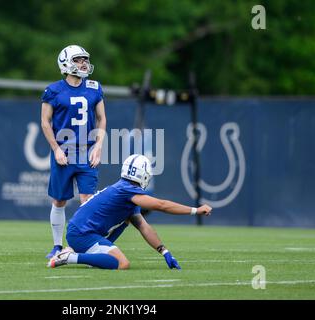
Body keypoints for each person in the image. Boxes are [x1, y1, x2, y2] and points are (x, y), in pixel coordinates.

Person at [47, 154, 212, 270]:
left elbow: (143, 226)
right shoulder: (127, 191)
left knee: (128, 219)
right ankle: (69, 257)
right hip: (82, 234)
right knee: (122, 263)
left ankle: (84, 254)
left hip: (82, 231)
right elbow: (162, 205)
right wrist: (195, 210)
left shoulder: (124, 190)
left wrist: (165, 252)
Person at [41, 45, 107, 259]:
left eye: (85, 60)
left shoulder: (94, 87)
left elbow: (101, 118)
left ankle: (83, 244)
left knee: (87, 201)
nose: (83, 64)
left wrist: (98, 145)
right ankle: (57, 245)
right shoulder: (53, 90)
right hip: (64, 152)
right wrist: (56, 149)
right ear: (66, 63)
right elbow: (45, 122)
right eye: (78, 60)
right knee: (59, 200)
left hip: (86, 151)